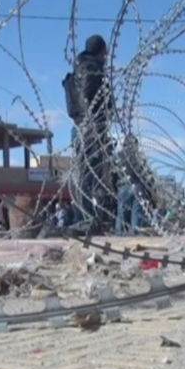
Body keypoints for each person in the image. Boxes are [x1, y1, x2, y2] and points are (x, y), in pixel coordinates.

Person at [72, 34, 115, 226]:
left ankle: (87, 217)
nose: (107, 56)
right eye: (105, 52)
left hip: (85, 126)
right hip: (92, 127)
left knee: (89, 172)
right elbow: (88, 96)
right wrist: (96, 117)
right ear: (101, 51)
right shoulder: (91, 69)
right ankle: (87, 219)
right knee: (91, 173)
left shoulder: (81, 68)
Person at [115, 135, 151, 235]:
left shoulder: (119, 155)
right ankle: (135, 232)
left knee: (122, 212)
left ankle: (119, 233)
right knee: (136, 211)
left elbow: (114, 171)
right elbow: (144, 171)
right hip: (137, 184)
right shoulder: (138, 156)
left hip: (123, 184)